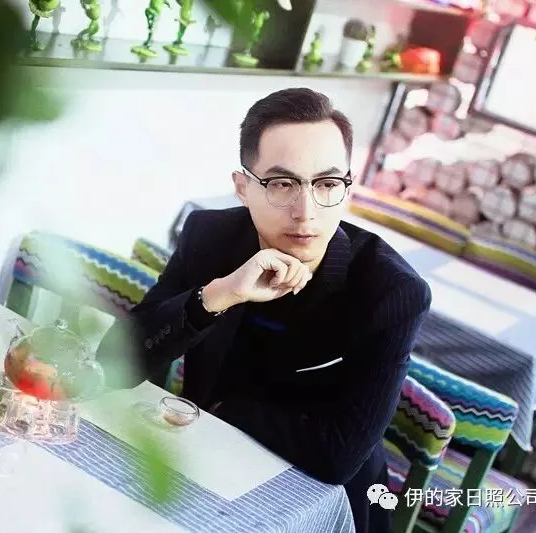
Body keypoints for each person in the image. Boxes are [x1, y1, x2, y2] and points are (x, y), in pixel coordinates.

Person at [96, 88, 431, 533]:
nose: (305, 212)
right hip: (199, 459)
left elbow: (338, 456)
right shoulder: (208, 236)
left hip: (317, 502)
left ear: (347, 187)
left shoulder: (393, 292)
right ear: (242, 188)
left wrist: (224, 408)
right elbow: (112, 362)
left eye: (327, 184)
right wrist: (218, 295)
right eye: (282, 184)